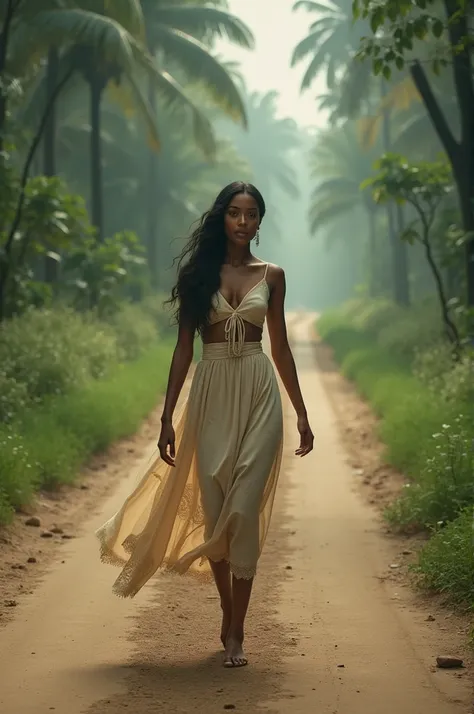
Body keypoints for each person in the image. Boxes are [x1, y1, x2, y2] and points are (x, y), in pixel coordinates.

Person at [96, 181, 313, 668]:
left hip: (259, 393)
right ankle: (226, 607)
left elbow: (280, 347)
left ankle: (237, 631)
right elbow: (183, 350)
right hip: (211, 393)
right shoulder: (199, 275)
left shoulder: (273, 276)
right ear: (222, 217)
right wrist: (168, 414)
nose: (242, 221)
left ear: (260, 221)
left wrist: (300, 412)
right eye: (234, 212)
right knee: (215, 513)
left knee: (243, 508)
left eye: (251, 213)